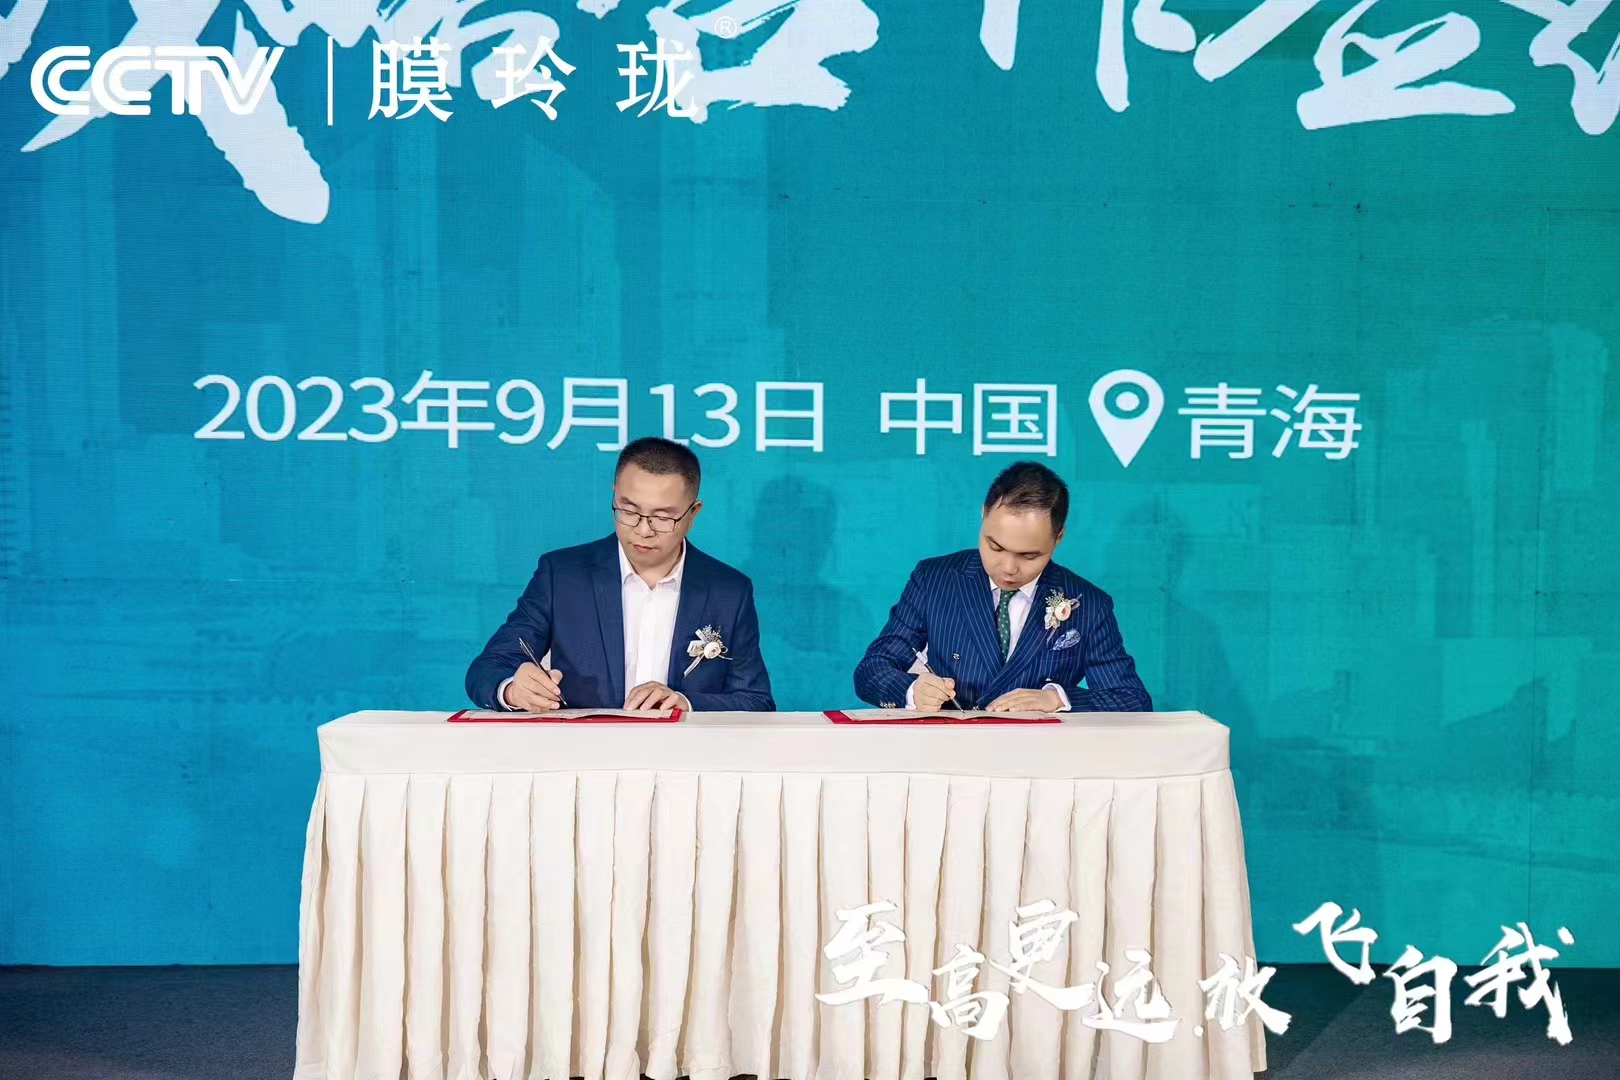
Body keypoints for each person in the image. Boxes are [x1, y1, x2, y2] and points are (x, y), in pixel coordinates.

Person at [466, 437, 775, 712]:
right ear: (614, 494)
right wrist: (512, 689)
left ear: (693, 513)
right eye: (628, 511)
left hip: (685, 753)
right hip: (582, 753)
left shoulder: (729, 591)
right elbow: (488, 668)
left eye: (662, 517)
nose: (643, 530)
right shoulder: (562, 575)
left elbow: (756, 700)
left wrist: (686, 703)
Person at [854, 461, 1151, 712]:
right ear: (983, 515)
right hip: (946, 751)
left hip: (1041, 757)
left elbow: (1132, 700)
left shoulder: (1088, 604)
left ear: (1058, 538)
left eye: (1029, 556)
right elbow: (872, 670)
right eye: (995, 547)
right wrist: (912, 691)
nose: (1008, 568)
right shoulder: (935, 580)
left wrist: (1057, 699)